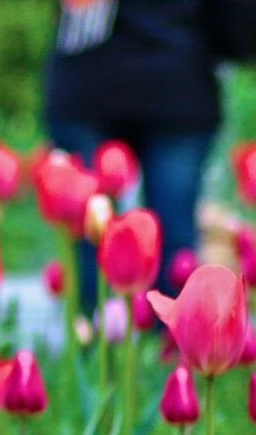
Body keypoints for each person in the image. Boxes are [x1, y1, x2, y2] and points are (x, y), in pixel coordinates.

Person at [45, 0, 222, 313]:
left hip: (89, 82)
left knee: (89, 231)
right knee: (172, 234)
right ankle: (170, 348)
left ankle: (96, 337)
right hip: (177, 78)